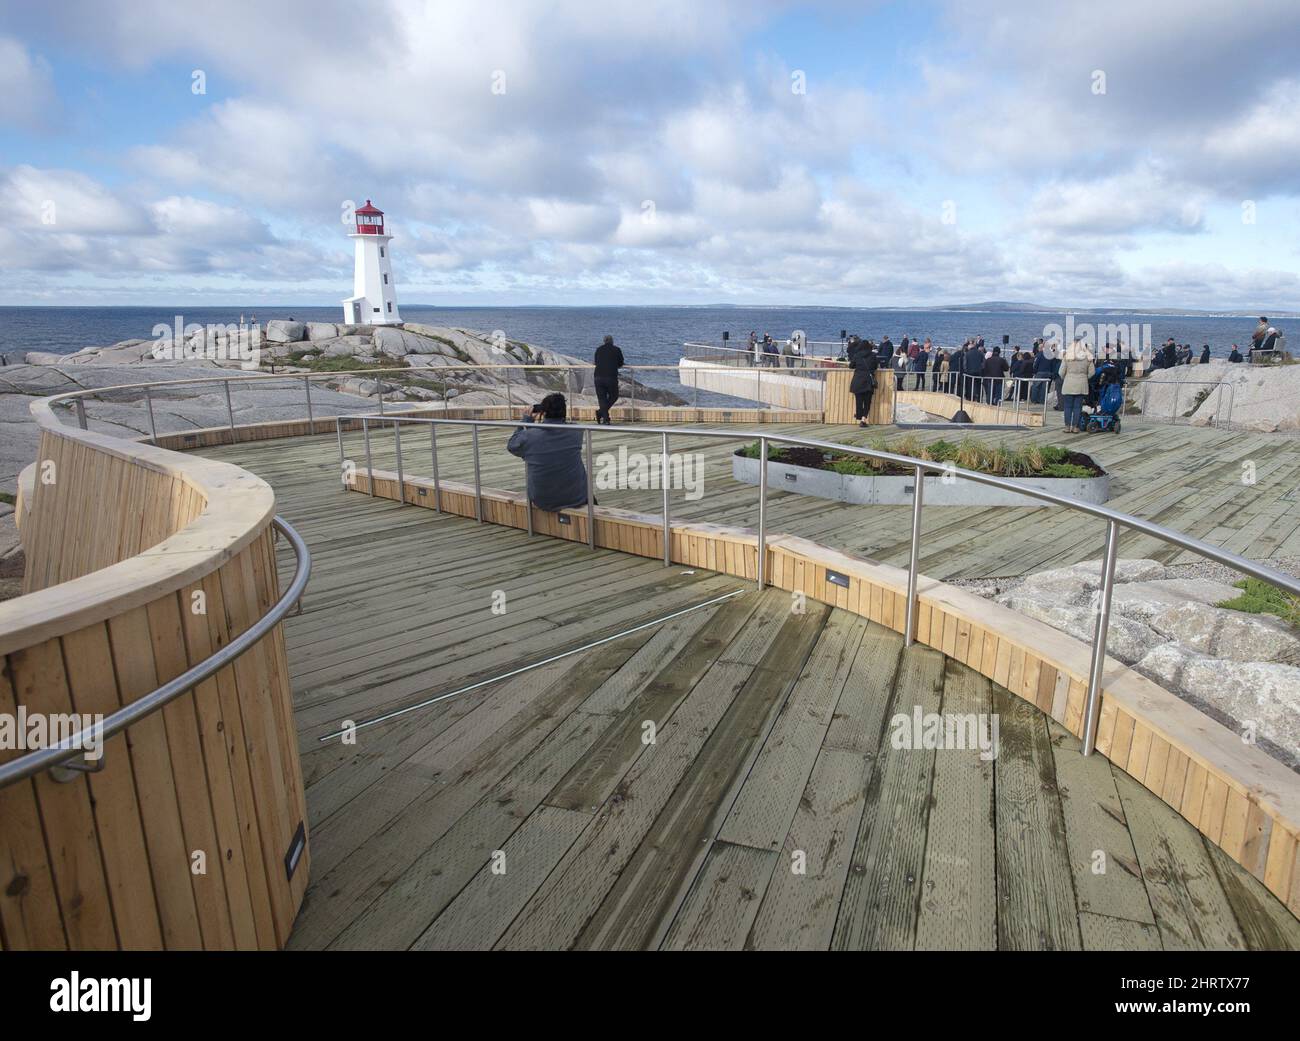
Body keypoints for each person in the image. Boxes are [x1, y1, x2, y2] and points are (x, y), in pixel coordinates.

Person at [507, 393, 590, 511]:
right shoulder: (576, 431)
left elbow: (513, 446)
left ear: (543, 412)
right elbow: (546, 439)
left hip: (543, 499)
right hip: (576, 496)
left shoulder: (529, 436)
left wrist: (525, 422)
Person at [1059, 338, 1094, 433]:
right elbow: (1092, 373)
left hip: (1069, 383)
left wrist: (1065, 378)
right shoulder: (1088, 357)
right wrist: (1085, 377)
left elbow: (1061, 372)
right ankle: (1075, 427)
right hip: (1081, 384)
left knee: (1067, 407)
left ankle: (1067, 426)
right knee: (1078, 407)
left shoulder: (1067, 356)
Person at [592, 334, 624, 424]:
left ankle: (605, 419)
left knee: (602, 399)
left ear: (604, 341)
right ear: (612, 341)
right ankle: (601, 413)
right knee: (614, 396)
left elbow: (596, 362)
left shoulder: (599, 349)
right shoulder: (617, 350)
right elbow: (621, 363)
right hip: (610, 377)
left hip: (598, 376)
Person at [849, 339, 879, 427]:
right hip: (868, 381)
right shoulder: (873, 355)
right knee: (867, 402)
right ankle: (863, 419)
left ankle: (859, 416)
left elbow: (851, 366)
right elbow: (875, 367)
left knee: (859, 401)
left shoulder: (857, 355)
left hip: (858, 380)